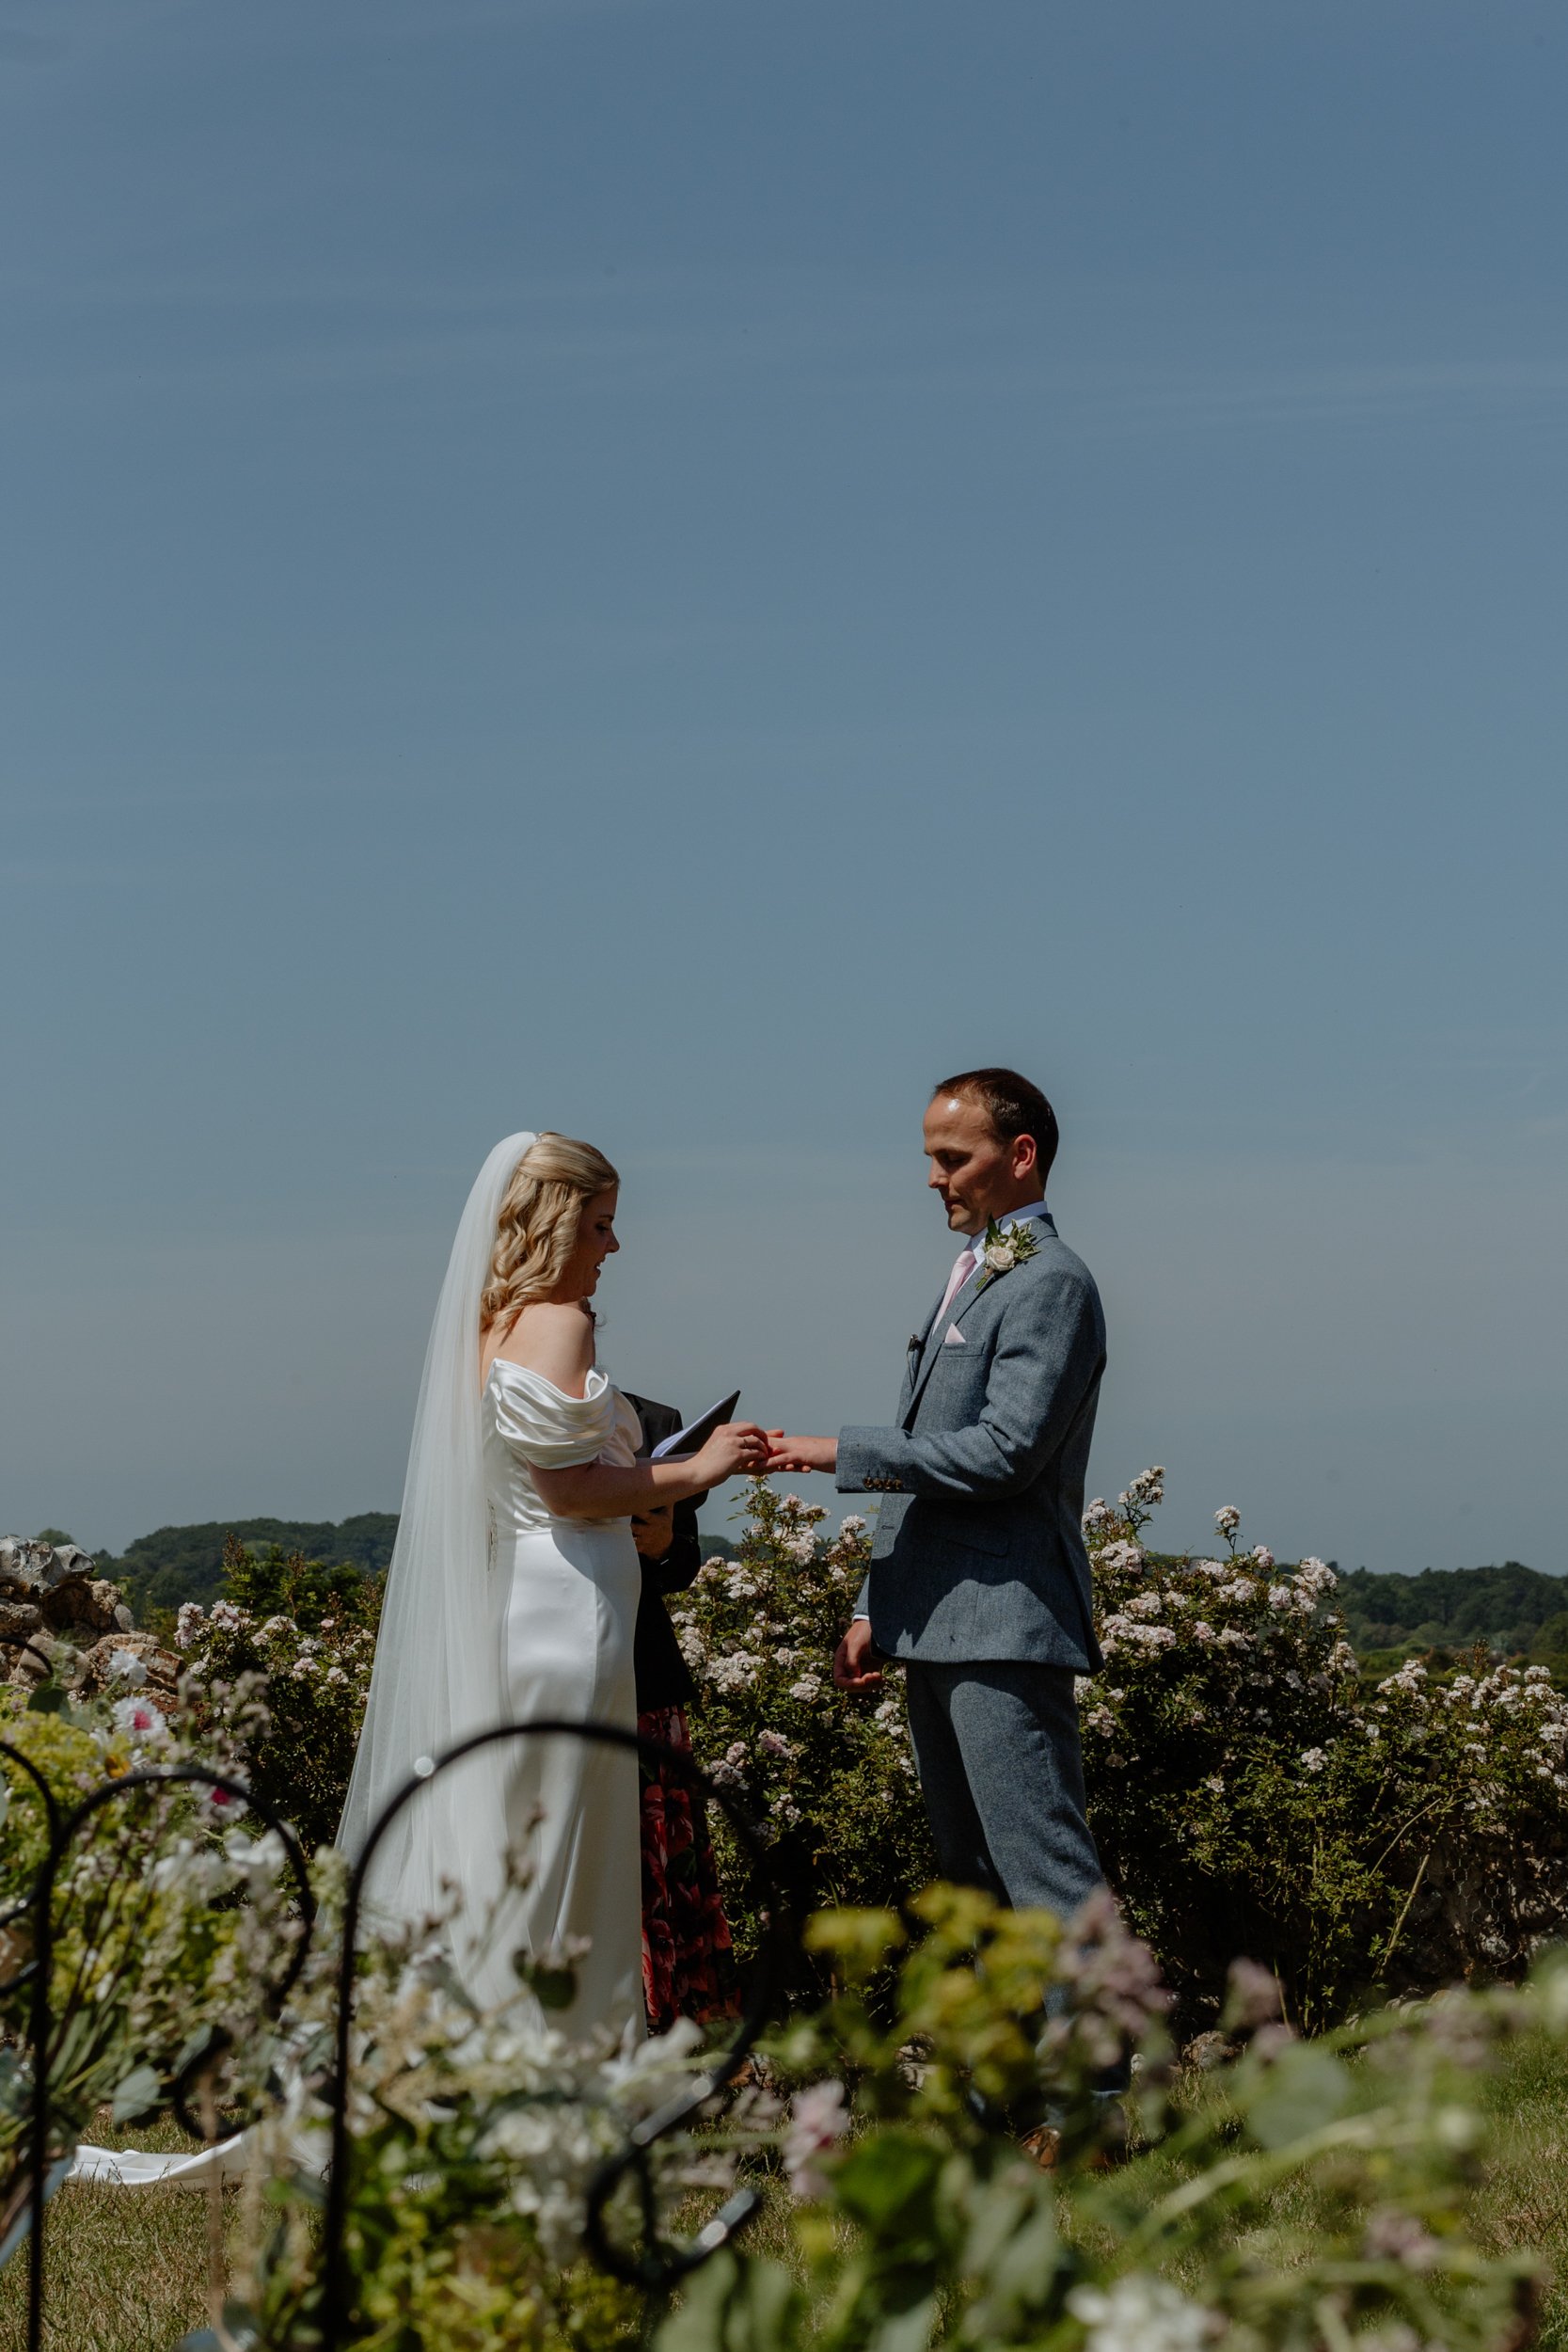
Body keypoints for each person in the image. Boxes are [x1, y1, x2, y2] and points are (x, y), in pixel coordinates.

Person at [340, 1130, 768, 2033]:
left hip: (527, 1600)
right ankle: (551, 2062)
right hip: (571, 1607)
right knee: (567, 1839)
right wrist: (703, 1469)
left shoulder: (486, 1323)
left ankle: (496, 2050)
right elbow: (569, 1491)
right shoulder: (560, 1322)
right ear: (557, 1221)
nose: (614, 1248)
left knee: (522, 1834)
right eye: (603, 1225)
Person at [766, 1069, 1112, 1947]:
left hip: (1003, 1624)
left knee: (1045, 1878)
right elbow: (930, 1444)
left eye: (952, 1157)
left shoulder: (1052, 1282)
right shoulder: (980, 1270)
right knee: (973, 1882)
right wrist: (873, 1601)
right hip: (931, 1619)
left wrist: (838, 1450)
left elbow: (1004, 1454)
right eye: (930, 1158)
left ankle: (1103, 2086)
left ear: (1020, 1155)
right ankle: (1010, 2085)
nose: (933, 1177)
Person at [620, 1391, 742, 2036]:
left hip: (640, 1665)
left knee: (659, 1864)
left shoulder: (654, 1423)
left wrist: (664, 1543)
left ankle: (673, 2016)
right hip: (539, 1662)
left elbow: (682, 1565)